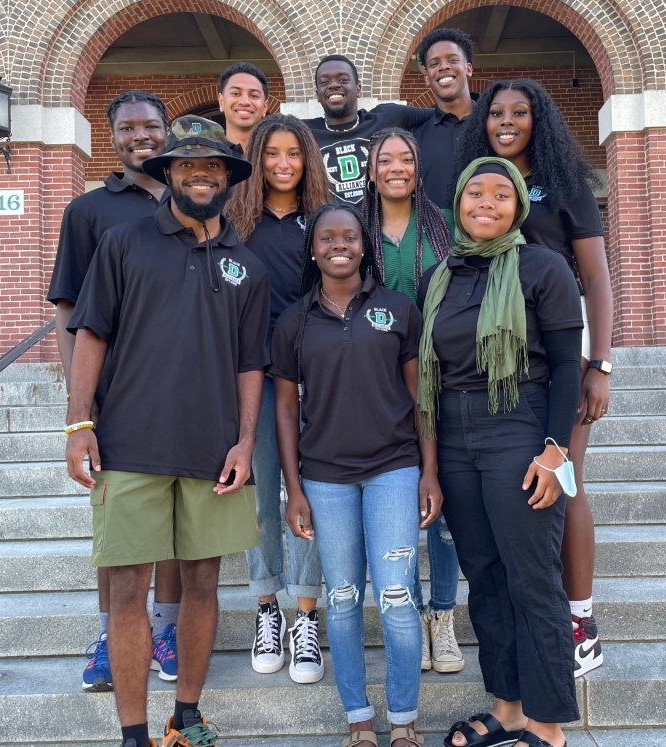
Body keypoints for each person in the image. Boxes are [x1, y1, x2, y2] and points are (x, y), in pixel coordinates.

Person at [64, 115, 269, 747]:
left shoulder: (248, 266)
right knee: (129, 586)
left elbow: (250, 363)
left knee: (203, 580)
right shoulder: (124, 242)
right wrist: (80, 424)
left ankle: (187, 716)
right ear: (169, 174)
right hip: (129, 444)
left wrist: (243, 441)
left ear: (228, 179)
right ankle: (132, 733)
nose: (200, 175)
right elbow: (90, 332)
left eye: (212, 167)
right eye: (187, 166)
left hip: (212, 452)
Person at [421, 158, 584, 747]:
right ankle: (508, 708)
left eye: (500, 194)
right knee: (485, 578)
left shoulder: (543, 267)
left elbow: (568, 365)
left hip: (519, 425)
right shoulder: (442, 276)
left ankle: (546, 725)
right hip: (457, 434)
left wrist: (554, 451)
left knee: (532, 578)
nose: (485, 204)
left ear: (518, 204)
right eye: (473, 193)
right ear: (457, 203)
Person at [455, 79, 612, 679]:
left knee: (565, 479)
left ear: (538, 119)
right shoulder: (479, 184)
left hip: (560, 358)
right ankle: (535, 616)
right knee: (523, 493)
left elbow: (596, 278)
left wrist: (600, 364)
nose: (506, 121)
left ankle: (579, 621)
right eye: (495, 112)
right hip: (498, 374)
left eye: (520, 112)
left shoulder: (565, 184)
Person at [273, 202, 440, 747]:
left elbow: (422, 397)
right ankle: (358, 721)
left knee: (396, 598)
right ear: (314, 248)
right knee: (341, 597)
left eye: (349, 236)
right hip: (324, 478)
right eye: (327, 237)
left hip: (393, 469)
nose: (338, 244)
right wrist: (293, 487)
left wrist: (429, 472)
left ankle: (404, 720)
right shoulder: (294, 321)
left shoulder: (397, 309)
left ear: (364, 245)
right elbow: (284, 409)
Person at [45, 90, 186, 692]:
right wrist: (82, 404)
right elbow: (68, 309)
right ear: (113, 137)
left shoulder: (196, 199)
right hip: (117, 398)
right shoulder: (88, 210)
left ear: (167, 133)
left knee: (182, 527)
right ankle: (111, 632)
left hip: (189, 389)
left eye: (151, 126)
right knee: (121, 532)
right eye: (128, 128)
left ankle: (166, 628)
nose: (141, 136)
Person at [224, 114, 334, 683]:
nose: (283, 163)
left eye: (294, 153)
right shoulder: (235, 223)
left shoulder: (324, 221)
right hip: (254, 379)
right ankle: (267, 608)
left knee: (308, 493)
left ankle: (306, 616)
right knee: (261, 496)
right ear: (259, 158)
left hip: (314, 376)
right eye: (272, 153)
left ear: (307, 159)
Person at [363, 127, 463, 675]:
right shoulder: (355, 228)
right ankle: (407, 614)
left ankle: (441, 618)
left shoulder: (447, 226)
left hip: (445, 378)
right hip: (376, 385)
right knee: (398, 505)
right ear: (371, 170)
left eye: (406, 159)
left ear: (418, 169)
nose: (396, 167)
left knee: (440, 506)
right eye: (386, 159)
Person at [302, 54, 434, 205]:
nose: (333, 85)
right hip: (332, 226)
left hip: (381, 225)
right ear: (318, 94)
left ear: (358, 88)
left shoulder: (387, 117)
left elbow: (440, 115)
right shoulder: (304, 133)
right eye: (324, 82)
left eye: (343, 80)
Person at [410, 28, 477, 208]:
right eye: (434, 64)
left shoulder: (493, 124)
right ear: (427, 78)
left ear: (468, 68)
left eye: (453, 60)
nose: (444, 67)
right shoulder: (413, 135)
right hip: (433, 235)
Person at [218, 62, 270, 154]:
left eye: (254, 95)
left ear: (264, 107)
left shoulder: (275, 157)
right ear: (221, 102)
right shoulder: (207, 155)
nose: (245, 102)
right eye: (235, 93)